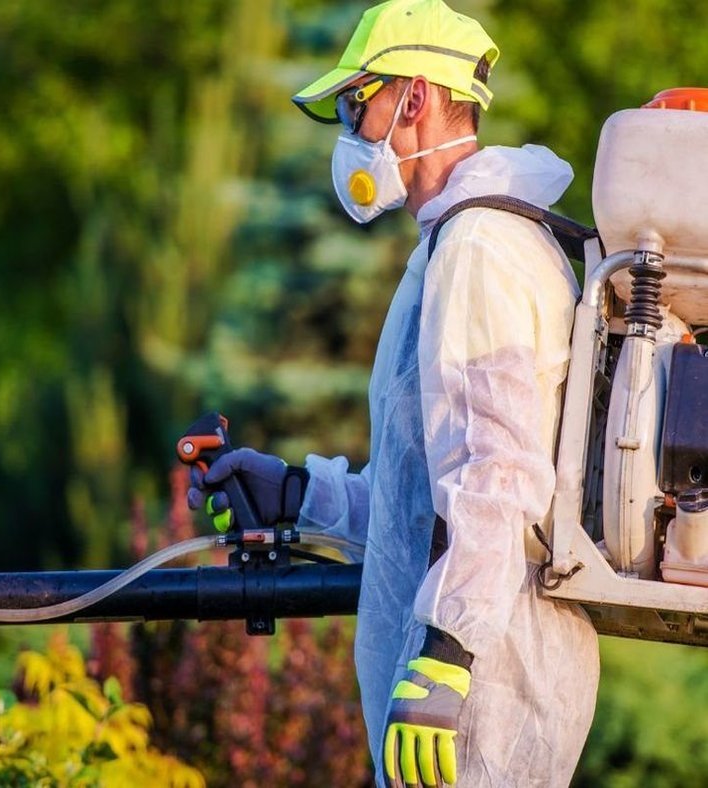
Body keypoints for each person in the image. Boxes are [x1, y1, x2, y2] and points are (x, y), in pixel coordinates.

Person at [188, 0, 600, 785]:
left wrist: (445, 655)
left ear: (412, 98)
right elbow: (426, 506)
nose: (349, 130)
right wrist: (300, 495)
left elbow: (499, 478)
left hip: (485, 693)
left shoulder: (481, 247)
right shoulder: (461, 241)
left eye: (356, 102)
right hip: (468, 684)